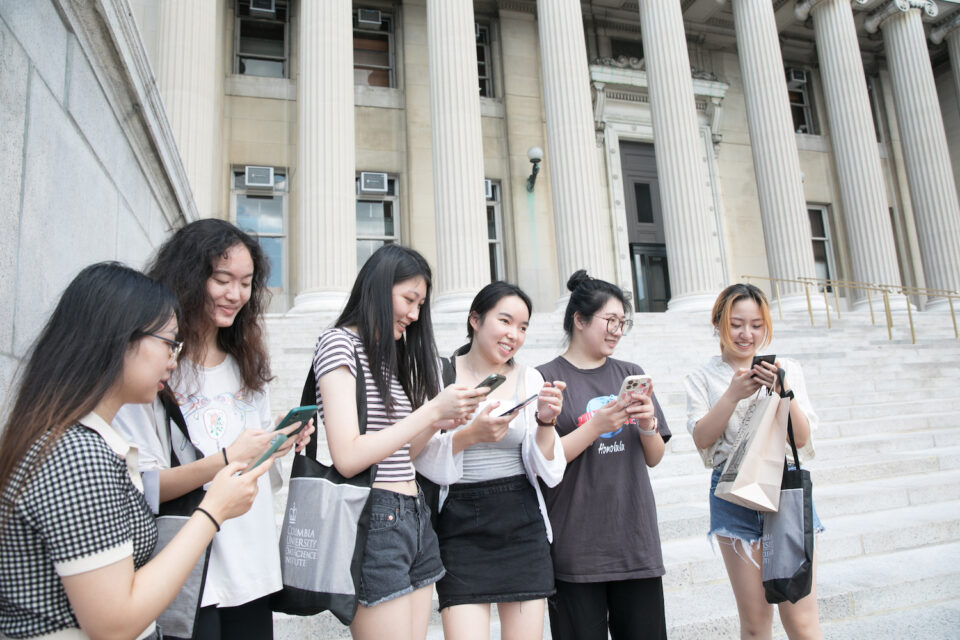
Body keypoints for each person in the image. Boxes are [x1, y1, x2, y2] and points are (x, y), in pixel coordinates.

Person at [0, 262, 268, 640]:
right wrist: (213, 511)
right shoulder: (77, 456)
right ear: (121, 340)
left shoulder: (77, 441)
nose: (174, 360)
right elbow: (114, 624)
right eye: (169, 343)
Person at [114, 219, 313, 640]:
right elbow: (142, 486)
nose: (236, 294)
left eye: (246, 283)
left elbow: (254, 473)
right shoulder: (151, 370)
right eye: (222, 279)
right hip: (188, 570)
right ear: (190, 277)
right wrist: (225, 460)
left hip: (251, 565)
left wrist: (276, 444)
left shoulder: (247, 363)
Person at [311, 244, 485, 640]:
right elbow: (349, 456)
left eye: (421, 304)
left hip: (415, 514)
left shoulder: (390, 355)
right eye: (409, 299)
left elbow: (403, 454)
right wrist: (429, 411)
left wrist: (440, 420)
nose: (415, 314)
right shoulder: (339, 344)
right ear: (378, 287)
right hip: (375, 517)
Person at [413, 282, 566, 640]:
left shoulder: (530, 378)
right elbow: (418, 457)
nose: (514, 334)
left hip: (521, 520)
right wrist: (470, 435)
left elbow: (549, 469)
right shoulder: (440, 375)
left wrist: (546, 421)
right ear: (475, 320)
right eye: (506, 321)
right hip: (461, 524)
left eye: (524, 327)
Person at [536, 270, 671, 640]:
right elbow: (545, 462)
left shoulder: (631, 374)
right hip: (576, 549)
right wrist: (597, 425)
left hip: (635, 541)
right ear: (579, 320)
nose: (616, 330)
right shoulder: (545, 379)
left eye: (622, 323)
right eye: (610, 321)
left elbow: (654, 456)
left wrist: (646, 423)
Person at [685, 283, 823, 640]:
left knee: (803, 622)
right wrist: (732, 394)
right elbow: (702, 439)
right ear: (717, 324)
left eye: (757, 324)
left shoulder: (786, 367)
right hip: (732, 495)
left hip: (784, 491)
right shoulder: (702, 376)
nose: (747, 334)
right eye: (736, 323)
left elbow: (802, 438)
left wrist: (783, 391)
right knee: (755, 625)